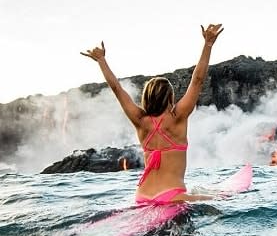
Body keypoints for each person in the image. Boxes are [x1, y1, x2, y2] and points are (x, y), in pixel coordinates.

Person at [80, 24, 224, 204]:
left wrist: (101, 60)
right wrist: (208, 44)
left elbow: (117, 89)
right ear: (170, 97)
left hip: (141, 196)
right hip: (172, 196)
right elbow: (197, 81)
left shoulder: (140, 121)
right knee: (223, 199)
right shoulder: (177, 118)